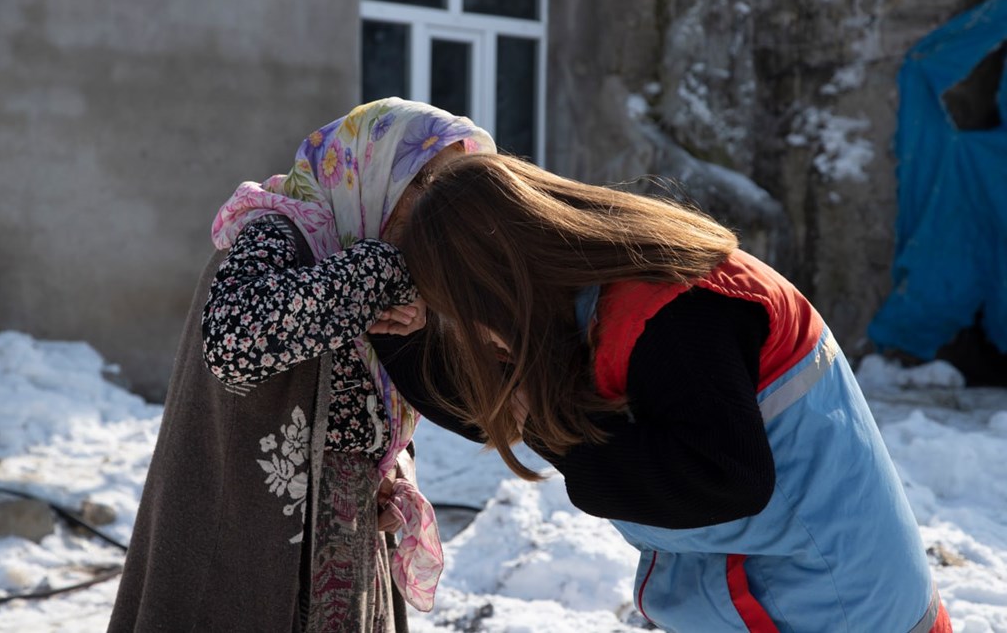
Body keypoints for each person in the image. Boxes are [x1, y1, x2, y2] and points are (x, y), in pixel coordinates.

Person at [372, 153, 952, 632]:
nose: (473, 336)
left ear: (496, 281)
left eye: (461, 313)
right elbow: (498, 407)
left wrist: (554, 434)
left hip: (837, 606)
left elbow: (725, 481)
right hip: (807, 593)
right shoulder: (603, 289)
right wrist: (399, 334)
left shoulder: (675, 312)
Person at [108, 98, 496, 632]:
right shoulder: (280, 231)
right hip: (253, 550)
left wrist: (389, 474)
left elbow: (367, 404)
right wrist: (375, 273)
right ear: (372, 168)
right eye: (425, 183)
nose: (438, 209)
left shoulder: (372, 251)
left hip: (344, 547)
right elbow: (234, 341)